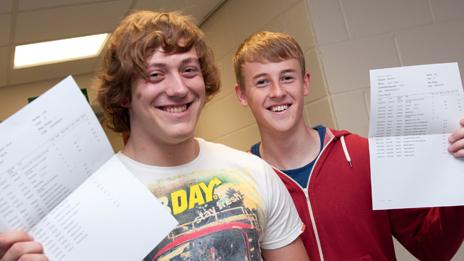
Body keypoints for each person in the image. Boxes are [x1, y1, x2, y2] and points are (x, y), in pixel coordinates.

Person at [0, 12, 309, 261]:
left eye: (188, 70)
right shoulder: (87, 202)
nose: (177, 88)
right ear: (124, 94)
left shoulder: (254, 173)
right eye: (155, 74)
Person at [233, 31, 464, 260]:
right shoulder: (241, 185)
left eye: (287, 77)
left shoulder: (364, 156)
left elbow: (433, 248)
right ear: (242, 95)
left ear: (305, 83)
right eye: (262, 82)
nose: (278, 92)